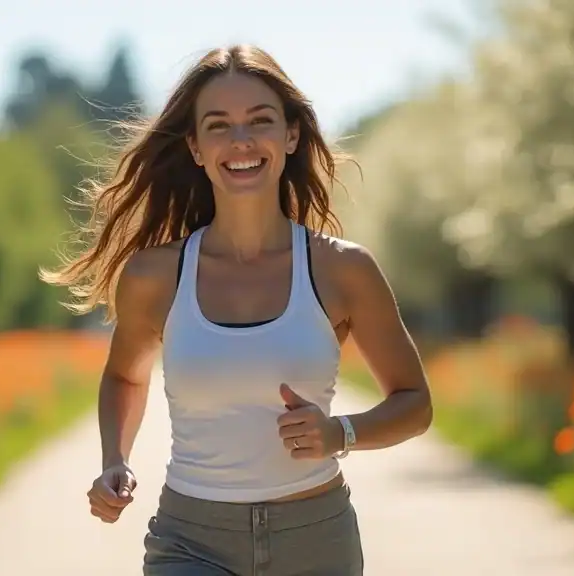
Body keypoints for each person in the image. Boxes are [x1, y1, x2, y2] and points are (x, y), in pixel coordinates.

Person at [41, 44, 433, 576]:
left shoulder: (343, 270)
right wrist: (116, 459)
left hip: (315, 539)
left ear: (291, 135)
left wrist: (341, 433)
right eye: (219, 125)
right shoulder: (155, 276)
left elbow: (414, 403)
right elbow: (124, 377)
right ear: (196, 146)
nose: (241, 140)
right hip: (190, 542)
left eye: (260, 120)